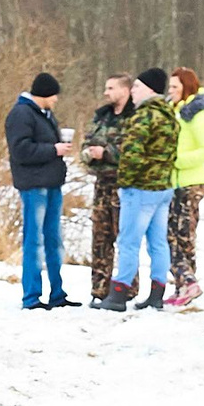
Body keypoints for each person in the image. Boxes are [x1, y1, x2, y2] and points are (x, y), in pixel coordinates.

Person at [100, 67, 180, 312]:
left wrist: (124, 184)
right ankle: (157, 293)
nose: (132, 91)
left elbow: (131, 156)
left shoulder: (143, 116)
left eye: (136, 86)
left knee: (128, 242)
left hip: (140, 189)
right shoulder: (169, 116)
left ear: (149, 89)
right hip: (163, 188)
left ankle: (118, 294)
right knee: (158, 243)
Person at [5, 71, 76, 309]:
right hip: (34, 186)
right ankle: (32, 296)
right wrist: (53, 150)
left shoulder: (45, 114)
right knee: (34, 241)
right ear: (44, 94)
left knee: (54, 241)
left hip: (52, 184)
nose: (56, 99)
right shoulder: (21, 114)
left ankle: (57, 293)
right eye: (54, 95)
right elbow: (21, 150)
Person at [167, 65, 204, 307]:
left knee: (183, 235)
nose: (170, 91)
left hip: (191, 181)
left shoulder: (198, 113)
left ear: (186, 88)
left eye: (175, 87)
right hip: (174, 182)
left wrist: (177, 162)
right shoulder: (175, 111)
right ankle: (184, 285)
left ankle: (188, 283)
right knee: (175, 236)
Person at [81, 74, 134, 294]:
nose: (106, 92)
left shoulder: (135, 117)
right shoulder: (102, 117)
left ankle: (126, 288)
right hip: (101, 185)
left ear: (125, 90)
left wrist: (108, 153)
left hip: (125, 186)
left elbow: (135, 152)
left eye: (111, 88)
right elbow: (87, 141)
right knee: (100, 239)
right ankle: (100, 289)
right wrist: (89, 153)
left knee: (125, 239)